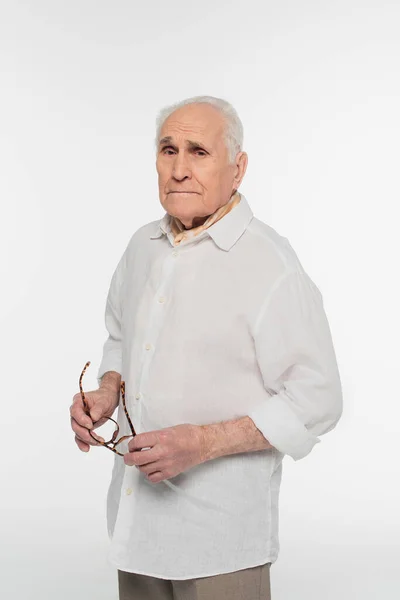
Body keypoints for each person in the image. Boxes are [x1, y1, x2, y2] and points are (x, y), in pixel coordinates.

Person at [70, 95, 343, 600]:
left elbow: (318, 399)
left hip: (221, 546)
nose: (178, 169)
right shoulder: (140, 247)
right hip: (133, 530)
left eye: (198, 151)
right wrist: (108, 390)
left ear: (237, 169)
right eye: (167, 149)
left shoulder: (270, 264)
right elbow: (122, 337)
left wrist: (205, 442)